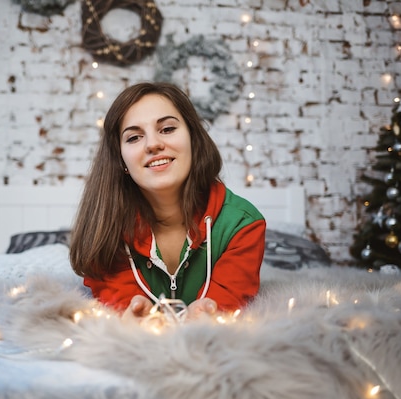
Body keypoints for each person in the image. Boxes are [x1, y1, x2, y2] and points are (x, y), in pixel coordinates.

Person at [69, 82, 266, 321]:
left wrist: (208, 317)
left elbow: (225, 308)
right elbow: (127, 310)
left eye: (167, 129)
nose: (153, 144)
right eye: (134, 137)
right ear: (120, 160)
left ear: (194, 139)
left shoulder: (242, 225)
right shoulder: (104, 230)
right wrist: (132, 317)